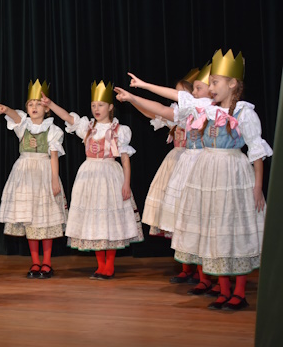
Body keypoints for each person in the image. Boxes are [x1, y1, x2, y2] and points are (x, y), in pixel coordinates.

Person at [130, 50, 272, 310]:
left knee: (232, 227)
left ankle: (239, 292)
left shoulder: (245, 113)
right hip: (208, 171)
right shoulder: (207, 110)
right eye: (211, 83)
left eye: (215, 82)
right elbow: (177, 98)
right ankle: (223, 289)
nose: (211, 88)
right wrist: (144, 86)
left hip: (232, 171)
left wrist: (258, 186)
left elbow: (256, 151)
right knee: (213, 227)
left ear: (232, 83)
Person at [118, 64, 219, 293]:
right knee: (190, 222)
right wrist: (134, 97)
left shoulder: (211, 109)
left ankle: (211, 276)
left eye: (197, 89)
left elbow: (170, 102)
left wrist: (144, 86)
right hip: (189, 166)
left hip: (205, 166)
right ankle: (200, 274)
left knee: (204, 222)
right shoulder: (189, 112)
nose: (190, 95)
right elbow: (161, 110)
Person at [41, 81, 143, 279]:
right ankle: (100, 265)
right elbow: (67, 117)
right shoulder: (87, 127)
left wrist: (126, 183)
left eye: (101, 105)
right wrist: (50, 104)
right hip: (89, 175)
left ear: (110, 107)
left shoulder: (119, 130)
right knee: (94, 219)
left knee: (109, 218)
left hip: (110, 175)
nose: (96, 109)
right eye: (94, 105)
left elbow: (125, 159)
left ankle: (109, 265)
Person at [0, 80, 67, 279]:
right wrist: (6, 109)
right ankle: (35, 262)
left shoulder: (53, 130)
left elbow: (54, 156)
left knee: (45, 219)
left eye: (38, 104)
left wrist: (54, 180)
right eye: (30, 104)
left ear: (46, 108)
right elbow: (15, 116)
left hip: (44, 172)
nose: (34, 107)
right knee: (30, 219)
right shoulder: (24, 126)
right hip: (25, 174)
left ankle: (47, 262)